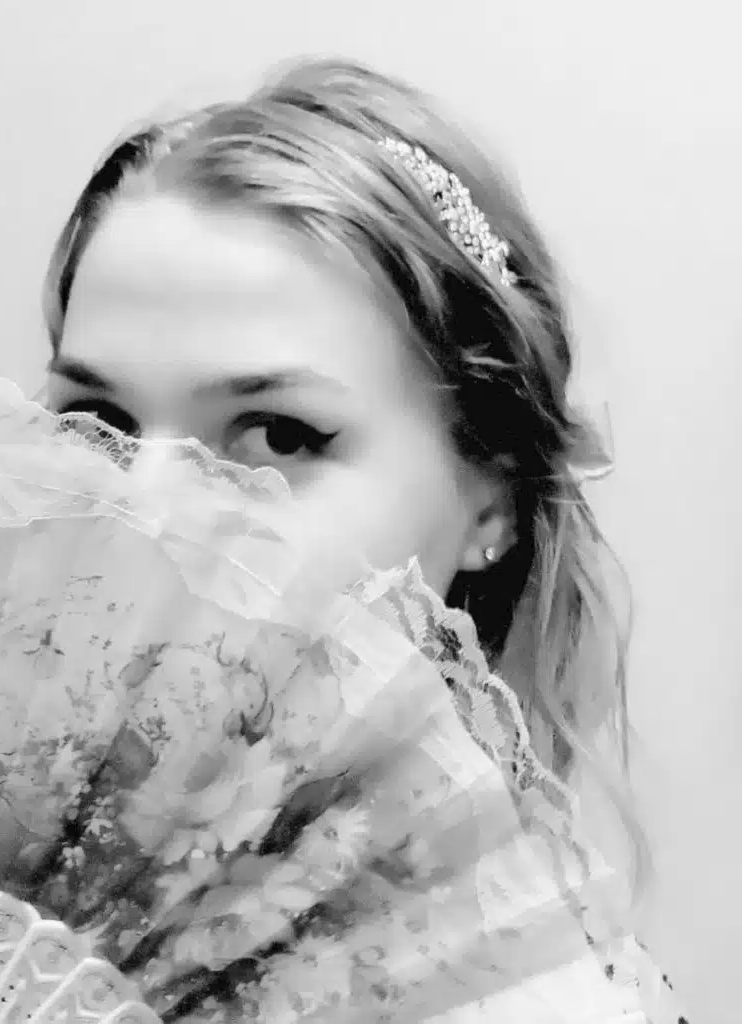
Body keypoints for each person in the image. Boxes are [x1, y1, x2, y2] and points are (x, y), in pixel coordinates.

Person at [38, 57, 691, 1021]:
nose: (147, 512)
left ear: (493, 499)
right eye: (98, 425)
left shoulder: (529, 997)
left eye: (279, 436)